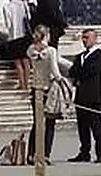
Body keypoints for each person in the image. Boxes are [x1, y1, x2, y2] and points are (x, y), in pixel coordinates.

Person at [25, 24, 73, 162]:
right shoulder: (51, 51)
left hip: (36, 88)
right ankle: (45, 154)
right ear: (46, 35)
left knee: (37, 123)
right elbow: (55, 71)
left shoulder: (31, 50)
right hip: (48, 89)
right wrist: (63, 81)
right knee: (50, 122)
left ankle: (31, 153)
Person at [66, 28, 101, 163]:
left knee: (96, 126)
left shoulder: (99, 55)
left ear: (95, 39)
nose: (84, 40)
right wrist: (79, 72)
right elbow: (72, 72)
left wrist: (80, 73)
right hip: (81, 96)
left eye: (87, 37)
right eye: (83, 38)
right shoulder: (80, 56)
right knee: (82, 127)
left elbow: (93, 70)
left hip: (93, 96)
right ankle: (84, 152)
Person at [0, 0, 33, 89]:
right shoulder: (24, 4)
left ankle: (22, 84)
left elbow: (8, 24)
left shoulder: (7, 7)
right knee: (26, 61)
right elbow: (29, 18)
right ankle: (27, 83)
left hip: (14, 36)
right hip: (25, 36)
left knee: (18, 62)